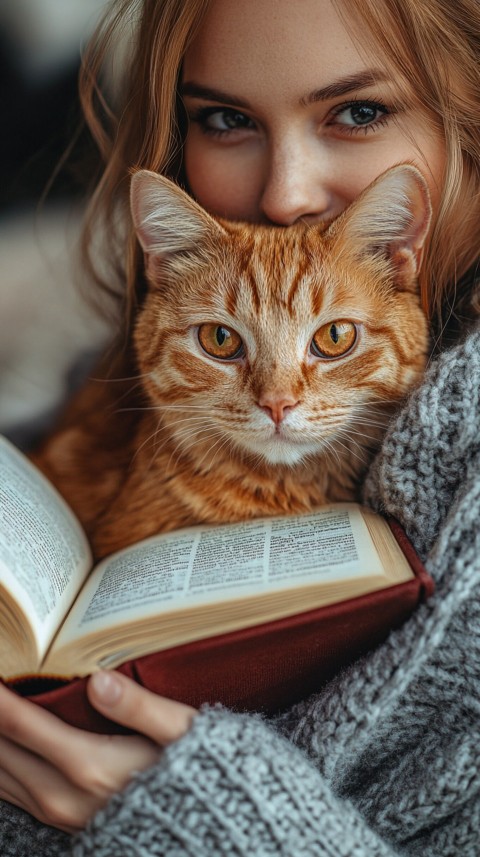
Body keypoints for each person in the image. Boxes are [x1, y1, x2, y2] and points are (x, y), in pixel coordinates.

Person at [0, 0, 479, 854]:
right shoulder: (122, 386)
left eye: (359, 112)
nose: (279, 399)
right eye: (224, 119)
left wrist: (194, 812)